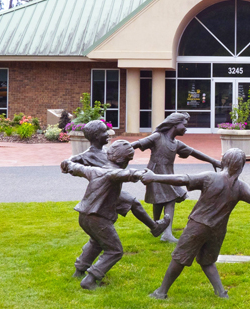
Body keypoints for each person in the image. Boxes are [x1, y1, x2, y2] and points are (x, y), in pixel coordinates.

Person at [143, 148, 250, 299]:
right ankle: (221, 293)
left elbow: (182, 179)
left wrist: (155, 177)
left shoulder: (210, 177)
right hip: (218, 230)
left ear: (223, 161)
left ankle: (161, 292)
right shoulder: (240, 187)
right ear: (241, 166)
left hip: (198, 225)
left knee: (179, 258)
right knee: (207, 261)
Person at [69, 119, 171, 276]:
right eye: (104, 132)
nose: (109, 134)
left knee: (99, 237)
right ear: (96, 136)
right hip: (102, 194)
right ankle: (91, 277)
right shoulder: (87, 155)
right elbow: (71, 163)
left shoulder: (107, 151)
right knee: (112, 246)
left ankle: (81, 268)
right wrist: (68, 163)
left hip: (109, 191)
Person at [61, 140, 146, 290]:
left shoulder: (95, 171)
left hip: (84, 216)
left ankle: (79, 269)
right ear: (123, 160)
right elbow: (122, 174)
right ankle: (90, 280)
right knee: (115, 250)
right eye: (128, 160)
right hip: (98, 218)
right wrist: (138, 174)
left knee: (96, 242)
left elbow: (76, 167)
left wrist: (67, 164)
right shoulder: (113, 173)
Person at [131, 112, 222, 243]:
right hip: (154, 172)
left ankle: (156, 225)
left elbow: (194, 152)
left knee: (160, 199)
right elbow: (138, 144)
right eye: (184, 125)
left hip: (167, 172)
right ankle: (166, 233)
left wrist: (214, 161)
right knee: (169, 199)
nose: (186, 128)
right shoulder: (157, 137)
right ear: (174, 124)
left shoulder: (176, 143)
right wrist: (120, 149)